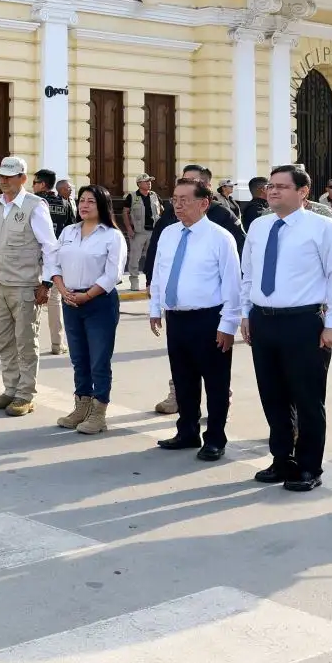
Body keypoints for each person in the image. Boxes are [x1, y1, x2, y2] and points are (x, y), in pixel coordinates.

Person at [239, 164, 332, 492]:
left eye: (282, 186)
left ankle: (308, 467)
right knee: (272, 396)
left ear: (303, 192)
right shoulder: (259, 226)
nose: (273, 191)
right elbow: (249, 274)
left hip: (304, 323)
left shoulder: (322, 227)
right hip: (264, 320)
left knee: (307, 398)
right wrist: (246, 314)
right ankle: (281, 459)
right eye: (270, 186)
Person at [147, 179, 243, 460]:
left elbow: (233, 285)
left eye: (184, 200)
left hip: (209, 319)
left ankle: (215, 438)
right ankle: (187, 431)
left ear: (204, 203)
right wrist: (155, 309)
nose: (177, 205)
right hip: (176, 318)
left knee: (215, 382)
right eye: (174, 199)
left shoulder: (220, 238)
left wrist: (228, 325)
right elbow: (160, 274)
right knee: (183, 379)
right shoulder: (168, 233)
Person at [0, 156, 58, 417]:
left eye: (9, 176)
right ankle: (10, 389)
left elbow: (50, 247)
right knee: (4, 340)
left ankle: (25, 394)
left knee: (25, 343)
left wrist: (46, 283)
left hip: (25, 285)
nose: (3, 181)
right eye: (1, 176)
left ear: (23, 178)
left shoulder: (35, 206)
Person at [52, 184, 127, 435]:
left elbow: (113, 274)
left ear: (102, 205)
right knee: (79, 359)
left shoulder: (112, 236)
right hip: (71, 301)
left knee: (99, 360)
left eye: (91, 201)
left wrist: (87, 295)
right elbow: (54, 263)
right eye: (82, 200)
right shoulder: (69, 231)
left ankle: (98, 412)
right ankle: (81, 406)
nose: (84, 205)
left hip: (99, 303)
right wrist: (63, 290)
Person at [30, 169, 71, 355]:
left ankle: (31, 339)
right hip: (57, 256)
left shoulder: (33, 203)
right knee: (54, 300)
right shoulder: (65, 203)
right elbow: (71, 229)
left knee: (33, 298)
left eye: (34, 183)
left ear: (42, 184)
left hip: (34, 256)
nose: (32, 186)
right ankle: (57, 343)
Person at [123, 174, 161, 292]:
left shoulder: (154, 196)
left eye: (150, 181)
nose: (149, 183)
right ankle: (134, 281)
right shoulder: (132, 196)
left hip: (153, 232)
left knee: (153, 257)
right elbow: (125, 212)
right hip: (138, 232)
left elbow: (161, 210)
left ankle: (151, 281)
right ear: (139, 184)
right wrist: (129, 228)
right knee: (135, 258)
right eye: (146, 181)